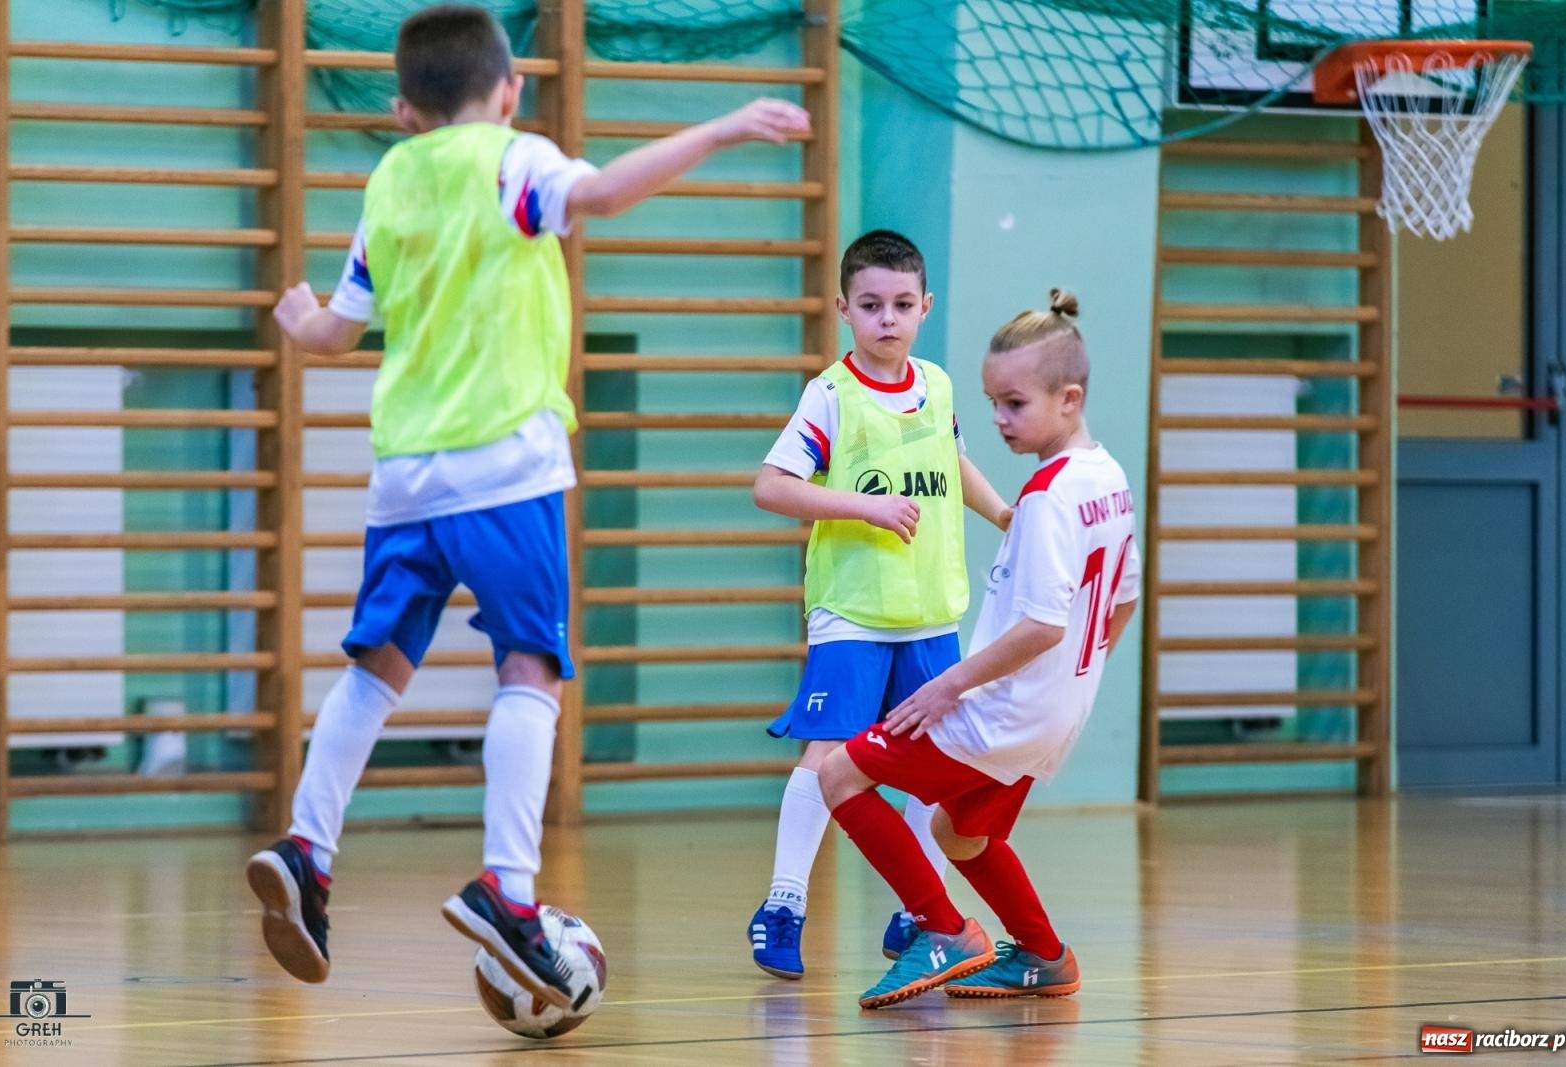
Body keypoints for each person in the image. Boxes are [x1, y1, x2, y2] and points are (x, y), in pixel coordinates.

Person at [243, 3, 808, 1008]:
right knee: (530, 665)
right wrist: (720, 129)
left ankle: (306, 847)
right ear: (508, 88)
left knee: (377, 666)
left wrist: (298, 321)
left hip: (404, 473)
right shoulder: (514, 159)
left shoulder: (389, 178)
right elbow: (602, 190)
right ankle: (508, 888)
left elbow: (338, 333)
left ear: (402, 108)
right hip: (504, 462)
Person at [817, 288, 1140, 1009]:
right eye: (993, 401)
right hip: (1054, 716)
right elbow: (1122, 600)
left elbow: (1041, 626)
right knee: (958, 832)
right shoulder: (1109, 479)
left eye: (1015, 404)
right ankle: (1044, 954)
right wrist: (1074, 685)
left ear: (1069, 397)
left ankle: (945, 930)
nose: (998, 418)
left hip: (1003, 711)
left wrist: (947, 687)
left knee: (839, 775)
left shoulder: (1048, 497)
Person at [748, 230, 1013, 979]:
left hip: (930, 614)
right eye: (871, 305)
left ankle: (919, 915)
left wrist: (1001, 513)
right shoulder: (831, 394)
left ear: (925, 307)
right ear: (844, 309)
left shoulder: (939, 384)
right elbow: (772, 485)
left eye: (901, 304)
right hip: (853, 614)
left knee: (937, 768)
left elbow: (953, 461)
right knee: (829, 754)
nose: (887, 319)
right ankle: (783, 904)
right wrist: (862, 509)